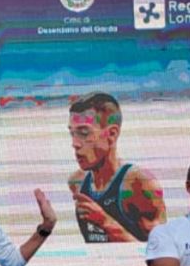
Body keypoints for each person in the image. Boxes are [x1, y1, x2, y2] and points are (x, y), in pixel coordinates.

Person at [66, 92, 165, 243]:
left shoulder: (139, 184)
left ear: (112, 134)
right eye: (72, 133)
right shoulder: (76, 182)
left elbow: (161, 252)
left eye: (84, 133)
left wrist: (106, 223)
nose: (75, 143)